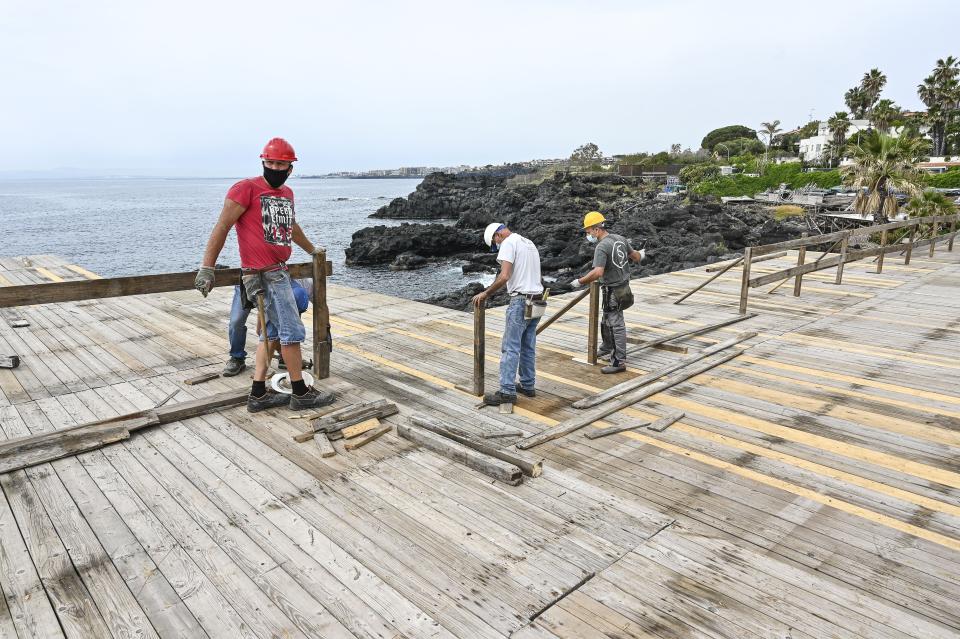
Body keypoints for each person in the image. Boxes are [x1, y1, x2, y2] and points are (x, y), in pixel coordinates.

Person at [195, 137, 334, 412]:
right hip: (264, 274)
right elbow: (222, 226)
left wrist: (312, 249)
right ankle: (301, 392)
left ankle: (258, 394)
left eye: (280, 163)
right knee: (291, 333)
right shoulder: (245, 188)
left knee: (269, 334)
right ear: (262, 162)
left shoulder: (287, 194)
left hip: (279, 270)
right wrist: (207, 267)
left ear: (290, 168)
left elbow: (291, 228)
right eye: (269, 162)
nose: (274, 167)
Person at [471, 222, 544, 406]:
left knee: (510, 347)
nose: (497, 248)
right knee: (528, 346)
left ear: (497, 236)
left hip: (520, 301)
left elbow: (504, 276)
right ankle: (528, 385)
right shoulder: (528, 242)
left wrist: (486, 293)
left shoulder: (508, 243)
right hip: (537, 299)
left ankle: (506, 391)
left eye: (495, 245)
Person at [571, 211, 645, 374]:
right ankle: (606, 347)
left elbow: (598, 272)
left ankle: (619, 361)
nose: (588, 234)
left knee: (616, 324)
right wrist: (642, 254)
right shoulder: (620, 239)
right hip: (624, 288)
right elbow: (635, 257)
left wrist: (580, 281)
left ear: (597, 229)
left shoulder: (602, 246)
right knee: (607, 319)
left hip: (613, 290)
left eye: (589, 231)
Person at [223, 277, 312, 376]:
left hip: (273, 282)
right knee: (236, 321)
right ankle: (237, 357)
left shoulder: (304, 284)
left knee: (277, 329)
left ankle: (283, 356)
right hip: (248, 281)